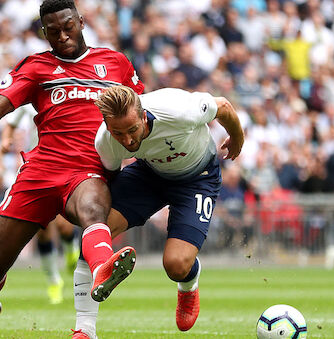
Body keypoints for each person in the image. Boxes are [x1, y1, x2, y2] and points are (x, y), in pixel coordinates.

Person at [0, 1, 144, 338]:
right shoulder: (36, 67)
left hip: (88, 169)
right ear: (44, 32)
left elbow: (142, 111)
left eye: (68, 26)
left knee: (94, 210)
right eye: (54, 31)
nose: (63, 36)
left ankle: (102, 270)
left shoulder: (115, 63)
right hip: (41, 171)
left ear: (81, 21)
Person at [70, 85, 244, 338]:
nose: (127, 140)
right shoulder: (105, 141)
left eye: (132, 130)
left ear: (143, 116)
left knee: (175, 265)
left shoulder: (179, 110)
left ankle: (189, 282)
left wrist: (237, 136)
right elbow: (109, 179)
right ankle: (85, 330)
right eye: (118, 133)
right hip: (148, 175)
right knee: (95, 230)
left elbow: (224, 106)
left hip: (197, 179)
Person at [0, 105, 80, 304]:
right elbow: (10, 123)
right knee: (43, 230)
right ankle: (54, 281)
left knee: (64, 225)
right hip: (39, 167)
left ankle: (72, 250)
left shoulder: (67, 92)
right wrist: (5, 140)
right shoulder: (30, 98)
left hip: (65, 164)